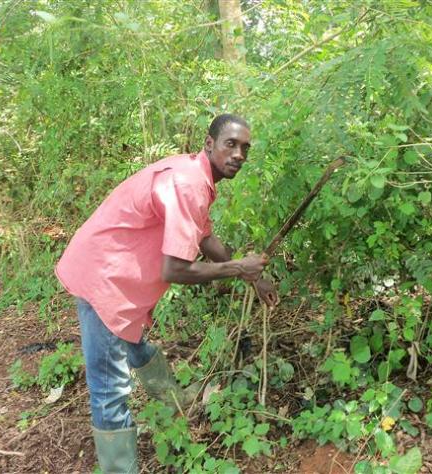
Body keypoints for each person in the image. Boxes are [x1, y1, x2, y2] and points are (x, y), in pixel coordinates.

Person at [55, 113, 278, 473]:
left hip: (116, 273)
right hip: (104, 278)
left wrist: (254, 277)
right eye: (231, 144)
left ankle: (172, 400)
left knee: (135, 344)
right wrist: (239, 268)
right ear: (209, 144)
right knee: (109, 389)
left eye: (245, 148)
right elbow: (174, 270)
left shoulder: (196, 177)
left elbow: (205, 238)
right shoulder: (189, 184)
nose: (239, 154)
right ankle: (119, 469)